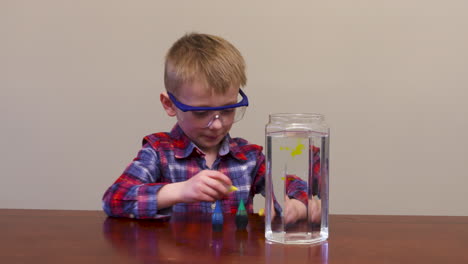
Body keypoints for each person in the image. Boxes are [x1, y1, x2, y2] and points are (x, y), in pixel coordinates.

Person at [102, 33, 308, 220]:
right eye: (201, 113)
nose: (217, 124)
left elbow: (295, 186)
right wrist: (179, 191)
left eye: (228, 110)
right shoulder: (159, 152)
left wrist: (298, 205)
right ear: (170, 105)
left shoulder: (249, 158)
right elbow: (115, 200)